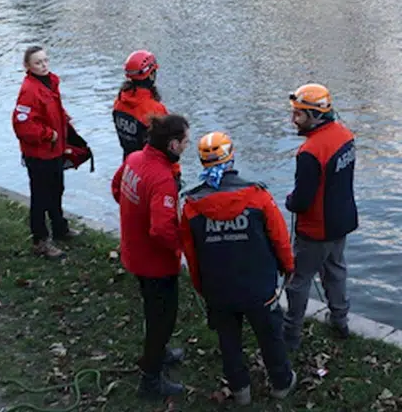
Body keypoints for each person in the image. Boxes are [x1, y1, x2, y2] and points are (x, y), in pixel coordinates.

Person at [180, 132, 297, 405]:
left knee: (228, 340)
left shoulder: (191, 206)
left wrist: (200, 285)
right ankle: (281, 383)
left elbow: (191, 253)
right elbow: (279, 238)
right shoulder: (257, 196)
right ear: (231, 156)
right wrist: (288, 267)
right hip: (259, 287)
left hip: (218, 287)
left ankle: (240, 389)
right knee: (270, 336)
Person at [118, 114, 190, 399]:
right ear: (172, 145)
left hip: (134, 252)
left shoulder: (135, 158)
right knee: (163, 318)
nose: (186, 146)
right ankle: (151, 380)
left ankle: (159, 352)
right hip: (155, 263)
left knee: (151, 309)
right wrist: (180, 249)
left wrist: (135, 214)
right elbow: (161, 230)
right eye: (185, 142)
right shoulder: (162, 179)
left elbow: (117, 187)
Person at [283, 84, 358, 349]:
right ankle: (340, 320)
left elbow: (302, 200)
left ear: (316, 116)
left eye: (298, 114)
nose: (293, 120)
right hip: (342, 221)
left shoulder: (310, 152)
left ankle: (291, 333)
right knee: (336, 271)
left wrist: (290, 201)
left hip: (316, 229)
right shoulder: (345, 136)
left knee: (298, 280)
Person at [12, 45, 79, 259]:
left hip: (54, 151)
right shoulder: (29, 90)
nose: (43, 65)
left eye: (45, 60)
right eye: (38, 62)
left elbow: (50, 108)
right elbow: (22, 124)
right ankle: (40, 240)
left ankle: (60, 228)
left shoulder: (50, 82)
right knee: (41, 197)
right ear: (27, 66)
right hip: (40, 154)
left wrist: (64, 117)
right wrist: (48, 134)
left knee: (57, 189)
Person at [111, 50, 167, 163]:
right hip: (151, 167)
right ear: (151, 75)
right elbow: (168, 146)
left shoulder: (119, 102)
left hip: (128, 163)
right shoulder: (155, 109)